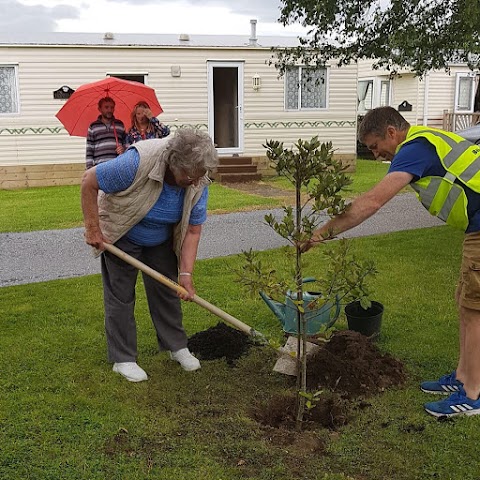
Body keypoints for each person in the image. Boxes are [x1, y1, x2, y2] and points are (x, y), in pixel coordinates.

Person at [303, 106, 480, 417]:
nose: (376, 155)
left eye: (375, 146)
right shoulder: (426, 140)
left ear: (391, 133)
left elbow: (372, 201)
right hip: (475, 227)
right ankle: (463, 377)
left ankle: (473, 395)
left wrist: (321, 234)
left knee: (475, 309)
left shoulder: (414, 150)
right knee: (465, 304)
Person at [81, 128, 218, 382]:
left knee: (167, 290)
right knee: (121, 295)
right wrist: (92, 228)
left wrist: (186, 274)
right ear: (174, 164)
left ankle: (176, 346)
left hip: (161, 237)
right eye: (190, 177)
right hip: (122, 231)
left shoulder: (199, 178)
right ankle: (123, 359)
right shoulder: (138, 161)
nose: (196, 182)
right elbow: (89, 180)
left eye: (200, 177)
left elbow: (193, 230)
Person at [85, 97, 126, 170]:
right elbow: (89, 150)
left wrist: (123, 148)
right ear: (99, 109)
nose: (109, 110)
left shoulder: (119, 124)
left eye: (112, 107)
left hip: (117, 166)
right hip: (99, 168)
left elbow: (126, 143)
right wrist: (89, 168)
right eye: (106, 107)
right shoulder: (93, 126)